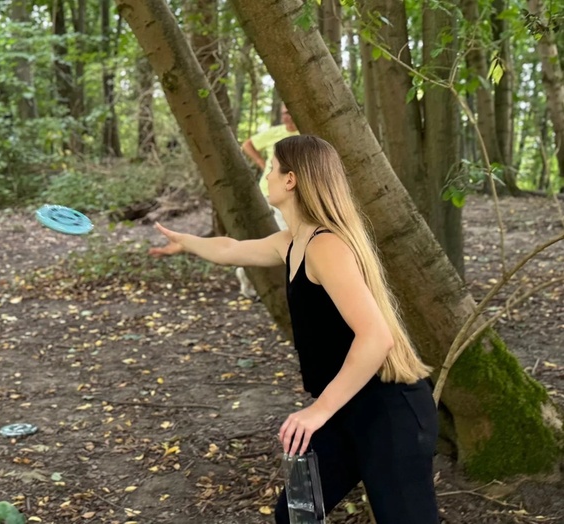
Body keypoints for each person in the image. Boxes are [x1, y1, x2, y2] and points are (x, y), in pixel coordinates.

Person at [149, 135, 440, 524]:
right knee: (296, 514)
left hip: (389, 412)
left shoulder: (326, 246)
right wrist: (186, 242)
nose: (266, 175)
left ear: (291, 180)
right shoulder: (292, 241)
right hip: (345, 409)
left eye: (271, 168)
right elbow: (232, 249)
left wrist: (317, 411)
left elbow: (377, 338)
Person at [235, 103, 300, 299]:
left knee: (290, 238)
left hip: (295, 195)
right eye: (283, 114)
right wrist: (263, 165)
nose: (285, 118)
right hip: (270, 193)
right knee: (281, 236)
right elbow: (248, 145)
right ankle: (247, 277)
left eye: (288, 113)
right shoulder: (275, 133)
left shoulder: (305, 133)